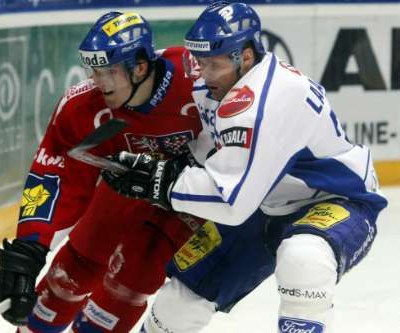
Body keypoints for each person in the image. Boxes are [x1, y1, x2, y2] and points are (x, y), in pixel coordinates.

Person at [101, 2, 388, 332]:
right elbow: (216, 151)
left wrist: (159, 181)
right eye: (201, 62)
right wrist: (172, 164)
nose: (204, 73)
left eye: (214, 64)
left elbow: (229, 202)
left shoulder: (266, 101)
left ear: (246, 56)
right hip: (263, 201)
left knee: (304, 258)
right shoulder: (218, 84)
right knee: (177, 306)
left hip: (335, 199)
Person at [0, 11, 204, 333]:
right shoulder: (85, 109)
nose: (98, 81)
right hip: (128, 186)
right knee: (73, 272)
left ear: (140, 67)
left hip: (190, 198)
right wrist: (30, 246)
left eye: (108, 70)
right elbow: (56, 174)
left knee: (135, 276)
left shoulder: (199, 79)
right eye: (94, 69)